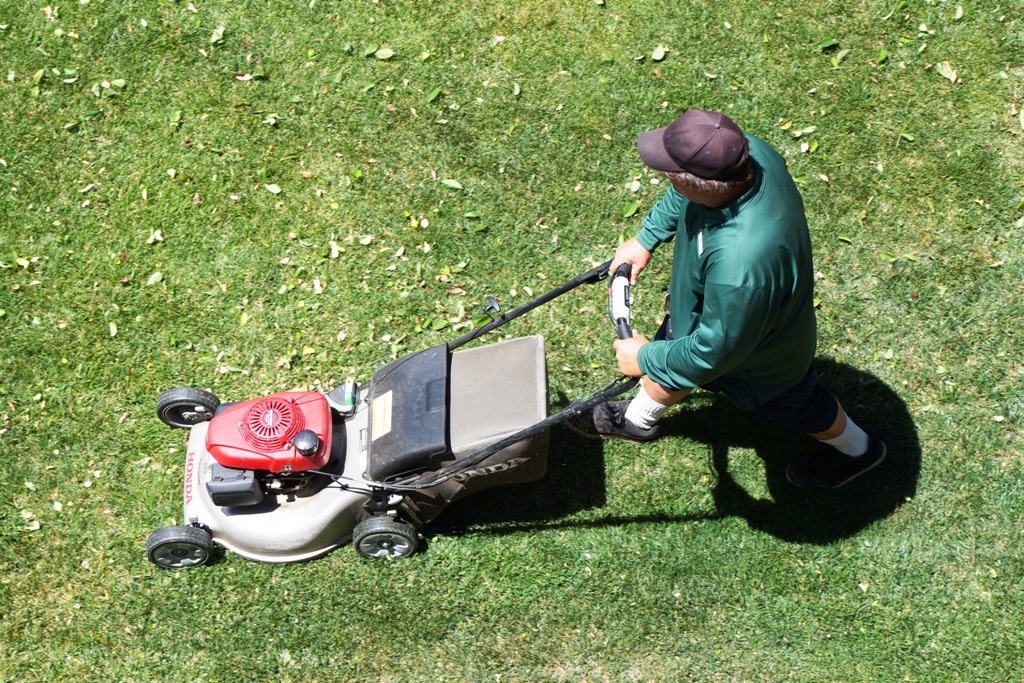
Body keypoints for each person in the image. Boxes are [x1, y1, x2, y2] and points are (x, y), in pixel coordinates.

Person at [567, 109, 886, 490]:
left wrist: (643, 357)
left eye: (671, 174)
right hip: (715, 314)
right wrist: (646, 237)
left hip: (760, 361)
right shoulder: (749, 156)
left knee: (796, 404)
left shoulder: (741, 265)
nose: (667, 180)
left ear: (703, 185)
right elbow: (682, 192)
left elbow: (708, 355)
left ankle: (861, 449)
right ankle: (638, 420)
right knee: (674, 350)